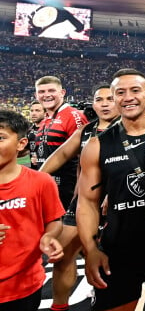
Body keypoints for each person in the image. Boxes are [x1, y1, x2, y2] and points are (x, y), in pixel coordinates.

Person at [76, 69, 145, 311]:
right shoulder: (97, 145)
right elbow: (86, 202)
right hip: (118, 250)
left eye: (135, 90)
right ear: (115, 98)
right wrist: (90, 249)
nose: (128, 97)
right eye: (120, 92)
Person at [39, 83, 120, 311]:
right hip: (82, 203)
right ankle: (59, 308)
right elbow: (62, 154)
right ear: (93, 103)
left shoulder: (130, 130)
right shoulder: (86, 130)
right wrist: (35, 179)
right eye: (99, 99)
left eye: (109, 99)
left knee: (114, 261)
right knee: (62, 257)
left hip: (117, 204)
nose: (104, 104)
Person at [0, 109, 65, 311]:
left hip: (24, 285)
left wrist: (49, 236)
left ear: (21, 144)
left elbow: (54, 220)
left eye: (0, 137)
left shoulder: (41, 182)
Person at [34, 75, 88, 210]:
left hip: (67, 188)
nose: (46, 95)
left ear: (62, 93)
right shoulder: (45, 120)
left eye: (51, 91)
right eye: (42, 92)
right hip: (47, 185)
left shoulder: (73, 116)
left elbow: (86, 156)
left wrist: (80, 190)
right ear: (36, 95)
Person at [24, 101, 45, 169]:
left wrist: (40, 159)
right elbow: (25, 150)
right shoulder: (29, 130)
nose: (33, 113)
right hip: (34, 170)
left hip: (49, 171)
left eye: (37, 111)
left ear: (45, 113)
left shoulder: (52, 129)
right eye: (32, 111)